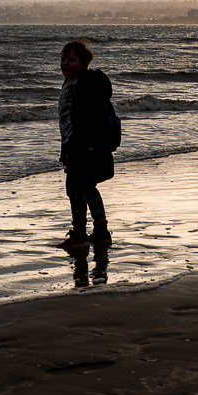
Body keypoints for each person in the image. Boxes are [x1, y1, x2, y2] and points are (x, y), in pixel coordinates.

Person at [54, 37, 121, 249]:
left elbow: (86, 121)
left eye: (71, 60)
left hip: (82, 146)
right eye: (63, 59)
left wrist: (81, 146)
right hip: (75, 145)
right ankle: (100, 230)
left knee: (76, 189)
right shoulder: (71, 83)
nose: (65, 63)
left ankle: (80, 232)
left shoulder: (84, 87)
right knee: (87, 187)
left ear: (84, 65)